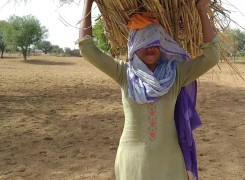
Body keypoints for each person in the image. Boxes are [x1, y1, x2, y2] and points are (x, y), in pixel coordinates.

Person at [78, 0, 220, 179]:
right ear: (133, 45)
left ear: (162, 43)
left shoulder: (176, 73)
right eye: (143, 41)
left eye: (154, 40)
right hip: (132, 163)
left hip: (170, 163)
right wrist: (87, 4)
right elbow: (87, 50)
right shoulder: (124, 73)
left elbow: (212, 56)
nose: (150, 47)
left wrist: (201, 9)